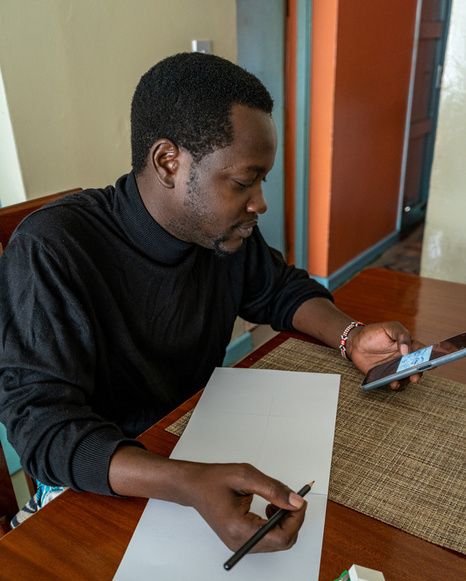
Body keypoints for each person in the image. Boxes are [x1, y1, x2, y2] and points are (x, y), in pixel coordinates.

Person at [0, 52, 420, 552]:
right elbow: (45, 429)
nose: (260, 201)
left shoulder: (219, 232)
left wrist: (352, 337)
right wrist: (185, 481)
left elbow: (279, 289)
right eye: (244, 181)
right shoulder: (53, 247)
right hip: (97, 480)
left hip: (195, 441)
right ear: (169, 163)